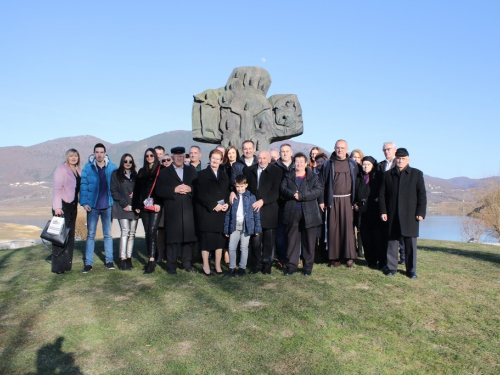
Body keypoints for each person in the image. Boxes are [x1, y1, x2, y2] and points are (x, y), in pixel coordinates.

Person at [379, 148, 427, 278]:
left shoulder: (416, 174)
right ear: (395, 159)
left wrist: (421, 212)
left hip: (411, 214)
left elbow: (421, 194)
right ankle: (391, 268)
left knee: (410, 243)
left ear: (408, 160)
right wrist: (383, 211)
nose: (400, 161)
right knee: (392, 242)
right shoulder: (388, 175)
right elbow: (382, 195)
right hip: (392, 213)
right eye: (398, 158)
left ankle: (411, 270)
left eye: (403, 158)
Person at [156, 146, 198, 274]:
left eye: (181, 156)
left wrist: (191, 189)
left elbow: (199, 188)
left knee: (188, 238)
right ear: (172, 157)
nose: (179, 158)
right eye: (176, 156)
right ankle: (171, 266)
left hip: (188, 209)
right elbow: (159, 191)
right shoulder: (164, 172)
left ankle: (187, 264)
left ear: (184, 157)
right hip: (172, 210)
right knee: (172, 239)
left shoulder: (191, 171)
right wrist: (174, 190)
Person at [280, 152, 322, 276]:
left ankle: (307, 268)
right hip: (292, 212)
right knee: (292, 240)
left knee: (309, 241)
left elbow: (318, 190)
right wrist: (293, 194)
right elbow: (282, 189)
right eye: (296, 161)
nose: (298, 164)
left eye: (301, 162)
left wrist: (302, 196)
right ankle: (291, 266)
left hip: (309, 213)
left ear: (305, 163)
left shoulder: (313, 176)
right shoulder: (288, 175)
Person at [319, 140, 359, 268]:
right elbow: (321, 184)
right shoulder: (327, 164)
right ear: (334, 148)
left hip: (348, 200)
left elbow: (357, 185)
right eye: (338, 148)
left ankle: (349, 257)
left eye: (342, 148)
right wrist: (322, 201)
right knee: (333, 229)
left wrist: (356, 201)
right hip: (332, 200)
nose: (340, 150)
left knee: (348, 229)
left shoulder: (353, 164)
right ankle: (334, 258)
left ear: (347, 148)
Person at [242, 150, 283, 274]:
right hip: (254, 210)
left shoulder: (277, 171)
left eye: (264, 158)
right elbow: (245, 188)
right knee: (255, 241)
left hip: (269, 210)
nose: (262, 160)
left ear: (269, 159)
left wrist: (262, 201)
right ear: (256, 158)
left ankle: (267, 265)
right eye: (260, 158)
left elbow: (276, 191)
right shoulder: (249, 170)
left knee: (269, 242)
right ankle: (256, 265)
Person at [80, 143, 117, 273]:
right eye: (97, 152)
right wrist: (84, 203)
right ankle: (88, 263)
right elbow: (83, 185)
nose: (99, 154)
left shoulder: (112, 168)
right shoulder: (88, 168)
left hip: (107, 206)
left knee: (108, 235)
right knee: (90, 235)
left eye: (102, 152)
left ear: (105, 153)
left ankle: (109, 261)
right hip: (92, 207)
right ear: (94, 153)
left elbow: (117, 185)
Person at [194, 149, 230, 276]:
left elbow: (227, 192)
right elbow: (200, 194)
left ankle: (218, 265)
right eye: (213, 158)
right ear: (209, 159)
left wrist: (226, 204)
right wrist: (214, 205)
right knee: (206, 241)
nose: (215, 161)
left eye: (217, 159)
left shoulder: (224, 175)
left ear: (221, 161)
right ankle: (205, 265)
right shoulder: (202, 175)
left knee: (219, 241)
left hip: (220, 213)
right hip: (207, 213)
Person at [223, 175, 262, 277]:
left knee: (243, 247)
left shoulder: (251, 197)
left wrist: (257, 228)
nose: (239, 189)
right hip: (234, 225)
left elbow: (256, 214)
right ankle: (231, 268)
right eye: (237, 186)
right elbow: (228, 214)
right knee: (231, 247)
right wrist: (226, 229)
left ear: (246, 185)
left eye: (241, 186)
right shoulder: (233, 197)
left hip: (246, 226)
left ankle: (242, 268)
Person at [132, 148, 162, 274]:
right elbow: (137, 190)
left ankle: (151, 260)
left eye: (151, 155)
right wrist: (136, 205)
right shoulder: (142, 171)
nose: (149, 157)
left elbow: (162, 188)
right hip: (144, 206)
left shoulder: (161, 170)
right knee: (147, 232)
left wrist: (159, 202)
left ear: (155, 156)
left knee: (152, 230)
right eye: (147, 155)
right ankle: (152, 256)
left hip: (155, 206)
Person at [51, 149, 81, 274]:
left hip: (73, 206)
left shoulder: (78, 170)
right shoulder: (61, 169)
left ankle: (67, 264)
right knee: (59, 237)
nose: (73, 158)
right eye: (71, 156)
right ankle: (58, 267)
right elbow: (57, 189)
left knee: (70, 236)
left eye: (75, 156)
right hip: (62, 205)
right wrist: (57, 207)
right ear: (67, 157)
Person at [377, 141, 405, 266]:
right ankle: (386, 259)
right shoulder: (380, 165)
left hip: (398, 203)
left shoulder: (400, 163)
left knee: (401, 232)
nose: (386, 151)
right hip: (384, 203)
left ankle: (403, 257)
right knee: (386, 233)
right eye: (384, 150)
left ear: (395, 150)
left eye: (388, 149)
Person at [353, 156, 383, 269]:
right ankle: (370, 260)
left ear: (372, 165)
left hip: (374, 211)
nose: (365, 166)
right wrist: (355, 202)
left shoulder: (377, 177)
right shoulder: (359, 177)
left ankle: (379, 259)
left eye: (368, 164)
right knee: (365, 237)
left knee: (376, 236)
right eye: (364, 164)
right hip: (362, 212)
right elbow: (355, 192)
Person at [110, 153, 139, 271]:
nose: (128, 163)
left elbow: (141, 189)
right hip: (122, 208)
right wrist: (124, 204)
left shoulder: (136, 176)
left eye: (130, 161)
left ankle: (129, 258)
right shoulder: (115, 174)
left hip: (134, 207)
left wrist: (136, 196)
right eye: (125, 161)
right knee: (125, 231)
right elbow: (114, 190)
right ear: (122, 162)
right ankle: (122, 259)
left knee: (132, 233)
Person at [275, 143, 295, 266]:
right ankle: (282, 258)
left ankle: (294, 257)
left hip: (294, 204)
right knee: (281, 233)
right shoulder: (275, 167)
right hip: (280, 204)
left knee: (294, 232)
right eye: (282, 151)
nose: (285, 153)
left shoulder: (297, 165)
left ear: (291, 152)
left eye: (287, 151)